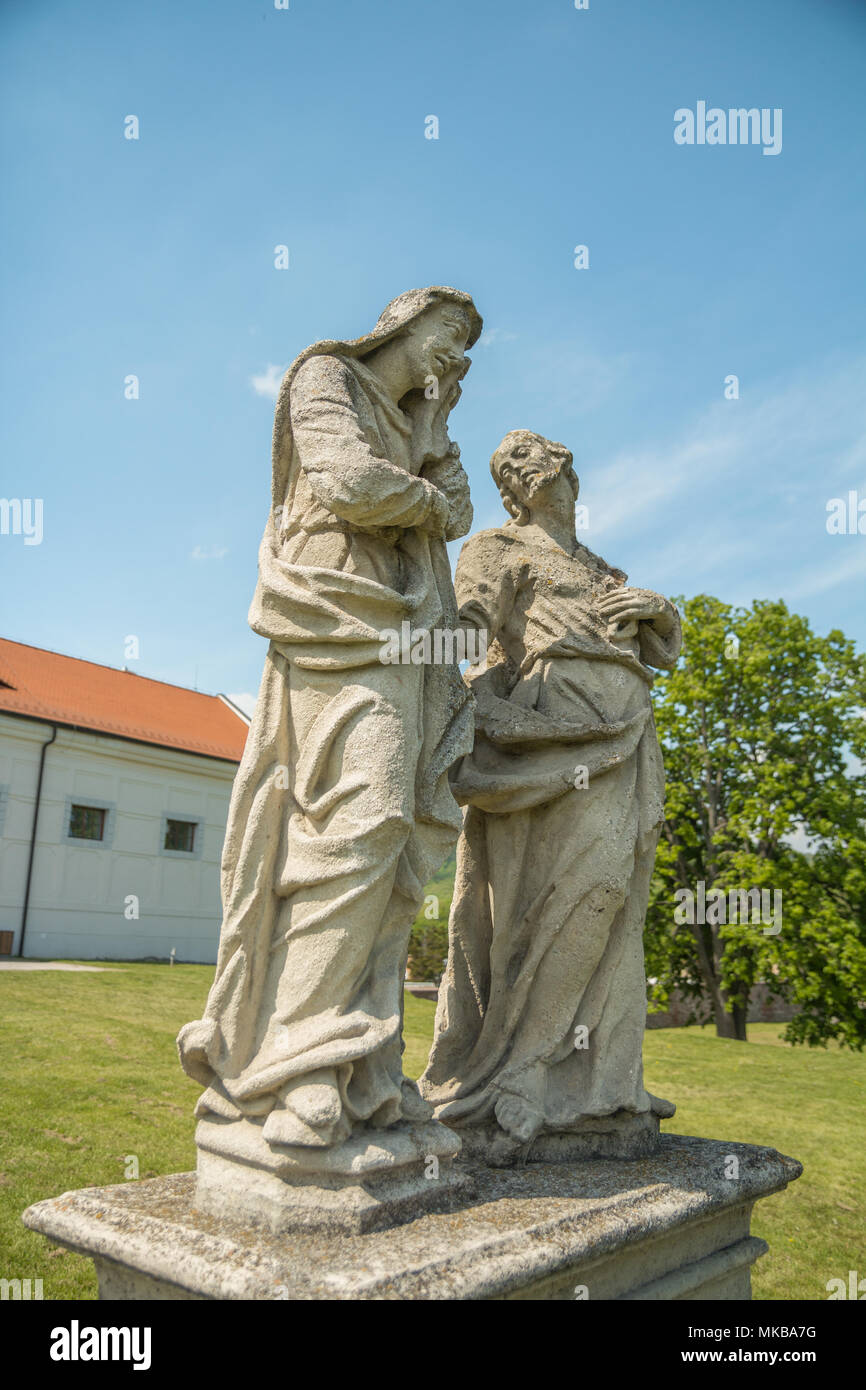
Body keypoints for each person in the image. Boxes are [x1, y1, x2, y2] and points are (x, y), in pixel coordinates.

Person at [178, 287, 482, 1159]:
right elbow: (348, 483)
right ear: (402, 323)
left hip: (413, 629)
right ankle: (295, 1063)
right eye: (447, 337)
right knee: (360, 822)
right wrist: (421, 492)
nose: (455, 359)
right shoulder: (327, 375)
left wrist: (429, 436)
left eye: (467, 351)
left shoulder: (429, 426)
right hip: (338, 614)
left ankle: (366, 1067)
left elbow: (456, 513)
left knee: (397, 850)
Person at [420, 429, 679, 1159]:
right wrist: (429, 649)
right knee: (567, 902)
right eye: (517, 465)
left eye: (543, 456)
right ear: (512, 488)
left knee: (617, 900)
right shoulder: (497, 547)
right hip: (557, 735)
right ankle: (520, 1074)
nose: (538, 468)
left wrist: (662, 614)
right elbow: (468, 628)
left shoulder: (603, 567)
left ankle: (606, 1080)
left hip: (627, 734)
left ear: (567, 469)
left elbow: (657, 647)